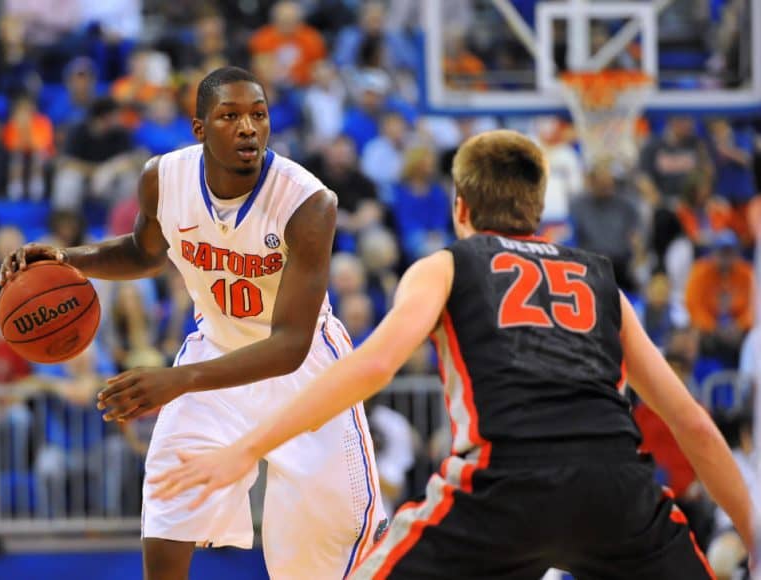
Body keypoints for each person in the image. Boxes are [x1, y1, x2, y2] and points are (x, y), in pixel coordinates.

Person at [150, 130, 756, 579]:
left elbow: (369, 367)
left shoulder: (446, 265)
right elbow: (695, 425)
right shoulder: (602, 281)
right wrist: (754, 538)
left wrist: (246, 448)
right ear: (538, 211)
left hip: (502, 484)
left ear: (460, 208)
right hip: (616, 490)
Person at [0, 66, 386, 579]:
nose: (248, 127)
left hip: (306, 375)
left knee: (321, 563)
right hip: (215, 354)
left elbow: (290, 344)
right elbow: (144, 251)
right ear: (200, 129)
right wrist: (68, 260)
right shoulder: (164, 178)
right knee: (168, 501)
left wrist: (174, 380)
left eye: (258, 115)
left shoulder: (309, 203)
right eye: (230, 116)